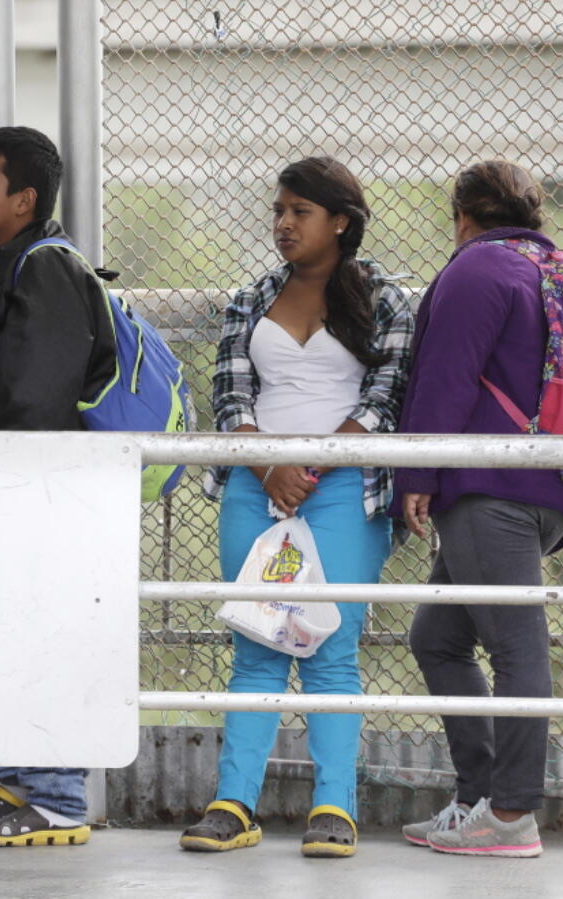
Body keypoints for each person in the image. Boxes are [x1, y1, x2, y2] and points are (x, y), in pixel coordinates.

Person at [181, 157, 413, 858]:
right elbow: (228, 394)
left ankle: (334, 806)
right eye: (278, 211)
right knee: (253, 637)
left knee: (330, 646)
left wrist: (309, 465)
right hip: (257, 482)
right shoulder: (252, 297)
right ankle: (234, 804)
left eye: (299, 212)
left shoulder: (386, 300)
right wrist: (268, 464)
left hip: (343, 487)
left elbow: (386, 398)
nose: (282, 224)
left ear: (339, 221)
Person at [394, 160, 563, 858]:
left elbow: (444, 377)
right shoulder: (547, 267)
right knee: (437, 636)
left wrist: (415, 470)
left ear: (462, 215)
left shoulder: (478, 269)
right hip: (542, 487)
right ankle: (479, 799)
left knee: (515, 647)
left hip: (491, 488)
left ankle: (510, 814)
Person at [0, 126, 117, 847]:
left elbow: (36, 399)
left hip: (34, 491)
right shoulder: (13, 264)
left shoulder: (42, 269)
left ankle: (55, 795)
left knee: (39, 633)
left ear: (24, 199)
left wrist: (4, 491)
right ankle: (18, 781)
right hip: (18, 487)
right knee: (7, 634)